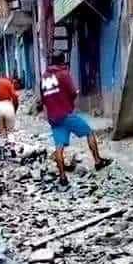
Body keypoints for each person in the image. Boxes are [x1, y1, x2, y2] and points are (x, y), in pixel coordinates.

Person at [40, 51, 111, 186]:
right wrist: (71, 97)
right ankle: (97, 161)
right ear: (62, 61)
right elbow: (72, 93)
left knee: (59, 147)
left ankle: (62, 177)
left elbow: (43, 99)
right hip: (66, 114)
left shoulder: (44, 77)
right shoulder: (64, 73)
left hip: (53, 117)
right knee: (89, 132)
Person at [0, 73, 18, 141]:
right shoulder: (7, 82)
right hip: (8, 106)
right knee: (10, 131)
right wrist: (15, 108)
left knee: (0, 132)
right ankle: (12, 148)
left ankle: (2, 149)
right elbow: (14, 96)